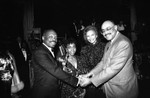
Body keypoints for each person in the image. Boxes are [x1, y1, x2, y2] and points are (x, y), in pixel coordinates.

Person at [79, 20, 139, 98]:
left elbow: (113, 69)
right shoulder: (108, 43)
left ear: (115, 28)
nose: (106, 32)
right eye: (103, 31)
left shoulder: (123, 43)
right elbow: (103, 62)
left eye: (108, 29)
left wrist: (90, 80)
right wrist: (88, 74)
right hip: (110, 89)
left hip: (122, 90)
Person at [30, 29, 80, 98]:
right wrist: (76, 81)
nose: (54, 39)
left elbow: (52, 65)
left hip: (52, 91)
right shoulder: (40, 52)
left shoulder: (48, 51)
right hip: (43, 92)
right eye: (51, 36)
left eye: (55, 37)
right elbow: (54, 69)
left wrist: (62, 65)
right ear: (43, 38)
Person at [77, 25, 106, 98]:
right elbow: (83, 65)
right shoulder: (84, 49)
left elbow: (106, 64)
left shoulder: (104, 46)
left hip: (103, 80)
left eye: (92, 35)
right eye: (88, 36)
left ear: (96, 35)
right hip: (89, 82)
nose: (90, 38)